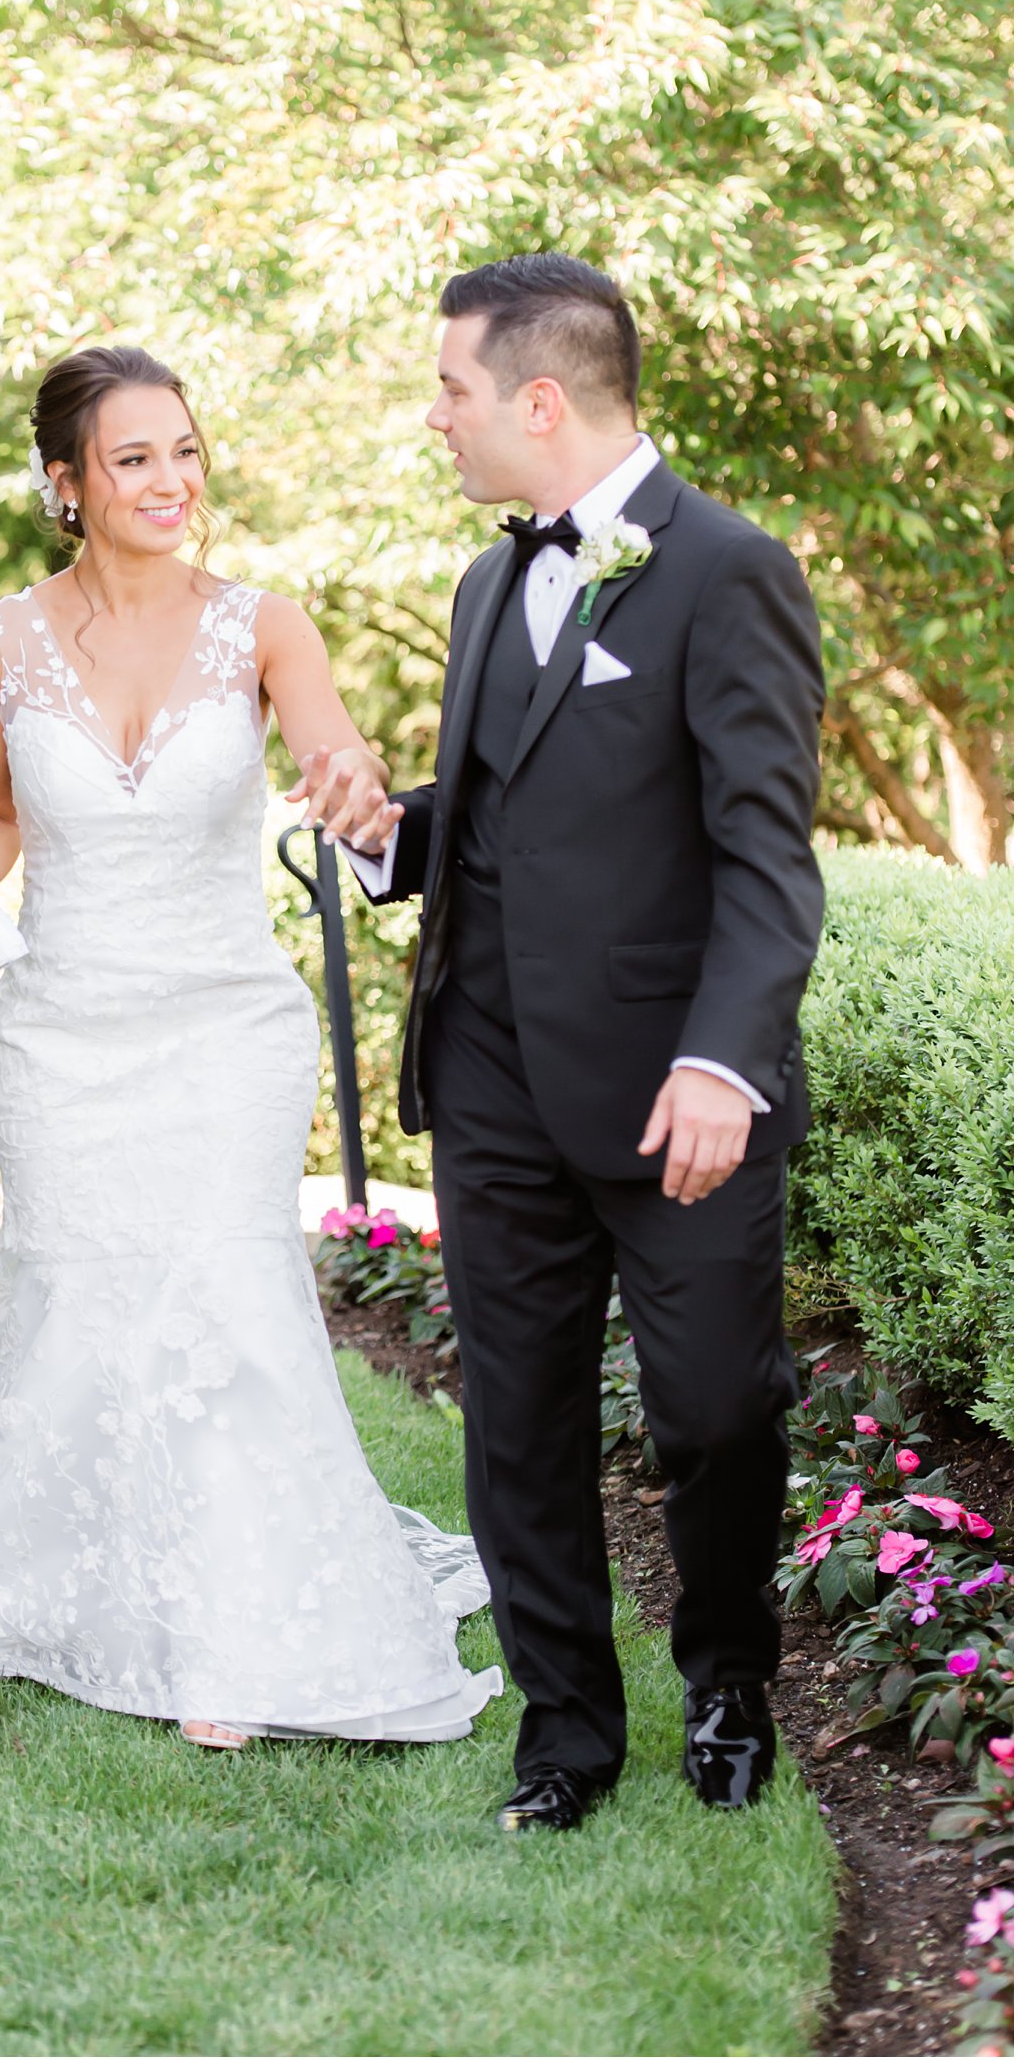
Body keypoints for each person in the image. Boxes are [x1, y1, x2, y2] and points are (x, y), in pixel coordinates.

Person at [0, 343, 501, 1750]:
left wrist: (349, 792)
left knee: (221, 1299)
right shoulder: (1, 641)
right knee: (77, 1302)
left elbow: (343, 774)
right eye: (135, 457)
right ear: (67, 483)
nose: (170, 481)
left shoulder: (266, 627)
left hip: (224, 1028)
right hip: (61, 1034)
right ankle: (58, 1580)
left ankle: (224, 1629)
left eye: (185, 451)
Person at [300, 254, 825, 1830]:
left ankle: (729, 1678)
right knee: (517, 1422)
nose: (434, 418)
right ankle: (564, 1738)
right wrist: (394, 835)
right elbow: (507, 820)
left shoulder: (729, 571)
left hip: (680, 1096)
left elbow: (764, 857)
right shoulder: (484, 584)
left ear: (540, 399)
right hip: (492, 1078)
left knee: (718, 1408)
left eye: (450, 390)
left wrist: (724, 1060)